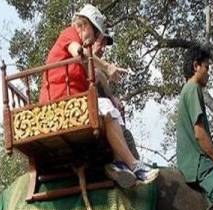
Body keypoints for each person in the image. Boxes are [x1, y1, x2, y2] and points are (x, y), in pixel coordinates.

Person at [39, 3, 157, 188]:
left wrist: (111, 87)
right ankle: (133, 164)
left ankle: (119, 163)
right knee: (105, 107)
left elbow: (97, 74)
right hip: (60, 104)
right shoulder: (70, 34)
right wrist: (107, 66)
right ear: (84, 25)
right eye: (94, 36)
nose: (93, 41)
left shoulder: (81, 54)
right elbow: (79, 53)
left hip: (71, 102)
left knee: (110, 109)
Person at [176, 45, 213, 203]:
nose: (208, 73)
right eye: (207, 68)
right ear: (196, 66)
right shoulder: (193, 89)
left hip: (188, 163)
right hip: (199, 165)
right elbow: (200, 134)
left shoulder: (185, 91)